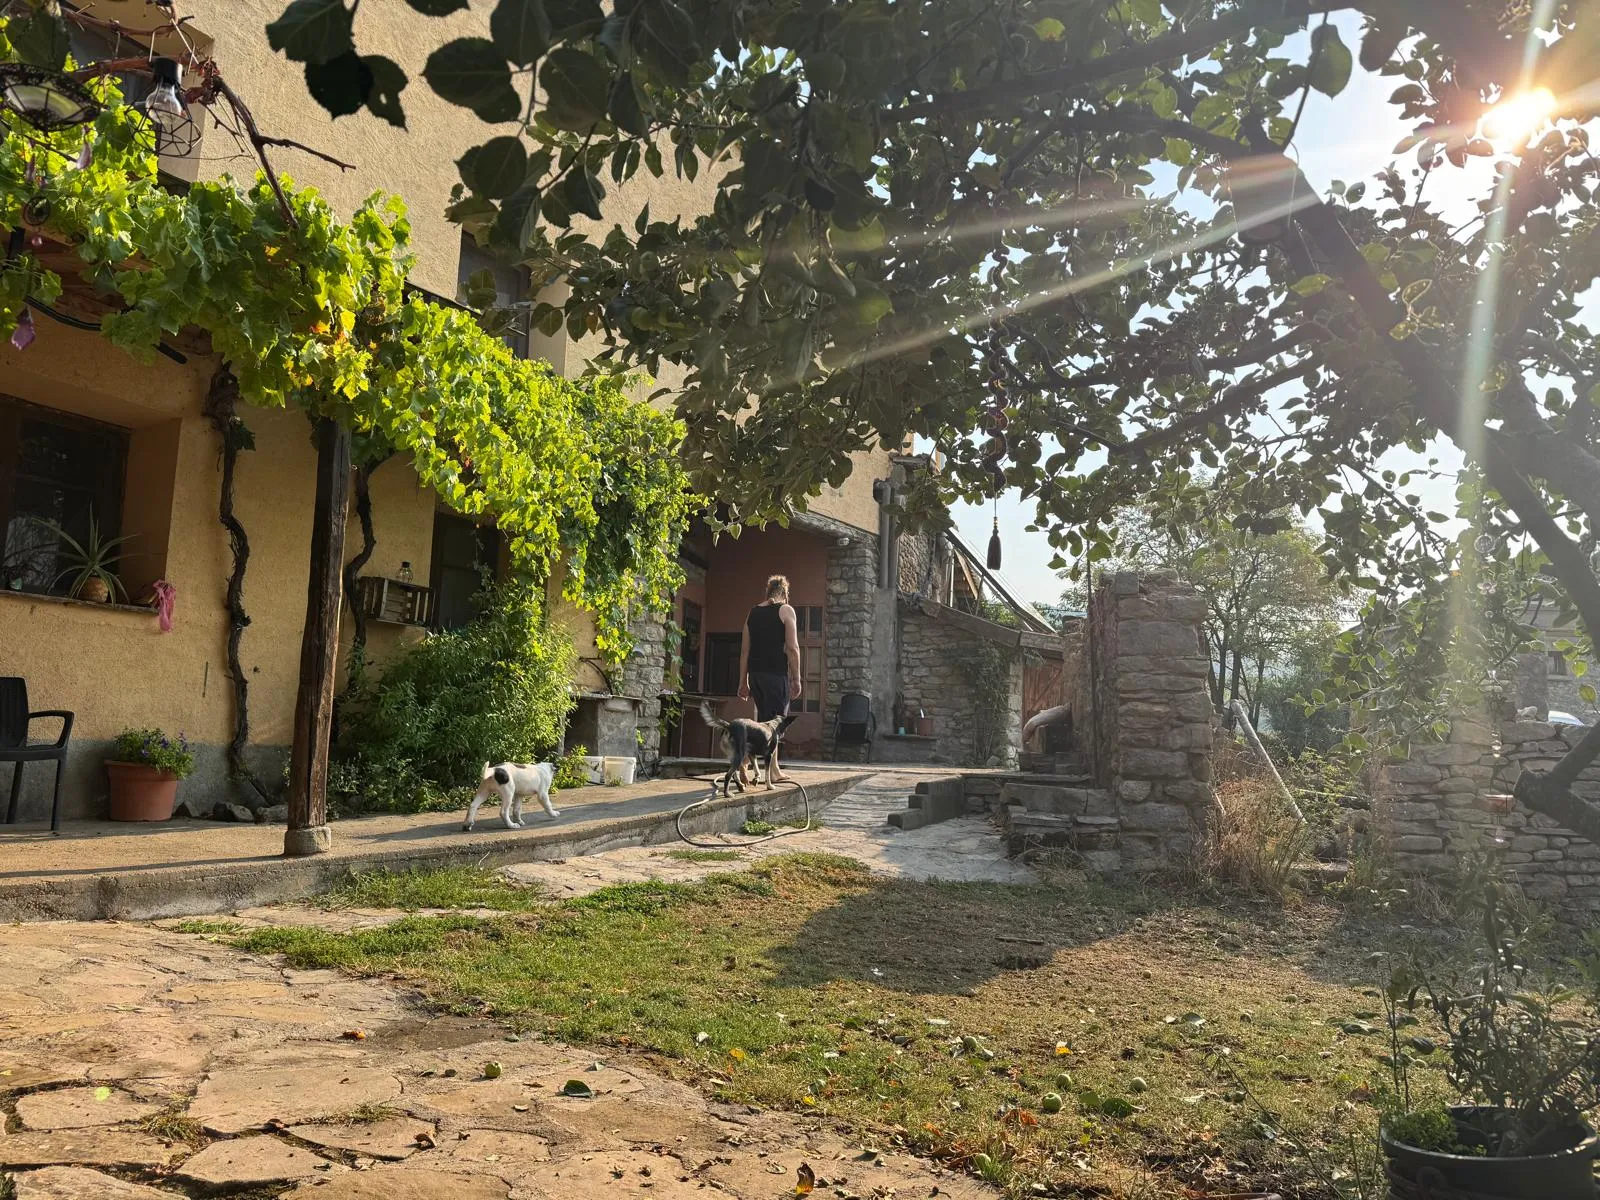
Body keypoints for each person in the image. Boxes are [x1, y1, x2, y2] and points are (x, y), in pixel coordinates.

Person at [737, 574, 802, 782]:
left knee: (764, 724)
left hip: (756, 676)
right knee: (775, 725)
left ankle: (770, 769)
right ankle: (749, 761)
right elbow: (792, 648)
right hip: (775, 675)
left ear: (768, 592)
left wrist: (743, 682)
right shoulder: (786, 610)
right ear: (785, 593)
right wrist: (797, 678)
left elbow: (744, 651)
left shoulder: (752, 613)